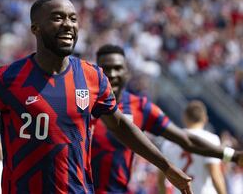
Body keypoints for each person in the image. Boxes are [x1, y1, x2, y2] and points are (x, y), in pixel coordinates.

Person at [0, 0, 193, 194]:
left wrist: (166, 166)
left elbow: (120, 124)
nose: (68, 24)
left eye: (73, 18)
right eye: (58, 17)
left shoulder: (92, 76)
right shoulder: (6, 78)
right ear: (35, 28)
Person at [91, 44, 241, 193]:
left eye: (117, 68)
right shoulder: (82, 102)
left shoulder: (141, 107)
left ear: (127, 73)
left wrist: (232, 156)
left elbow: (185, 139)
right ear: (95, 72)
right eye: (105, 68)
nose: (112, 74)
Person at [159, 100, 227, 194]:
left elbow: (160, 180)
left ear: (184, 118)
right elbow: (215, 176)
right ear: (205, 119)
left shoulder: (169, 142)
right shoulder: (211, 139)